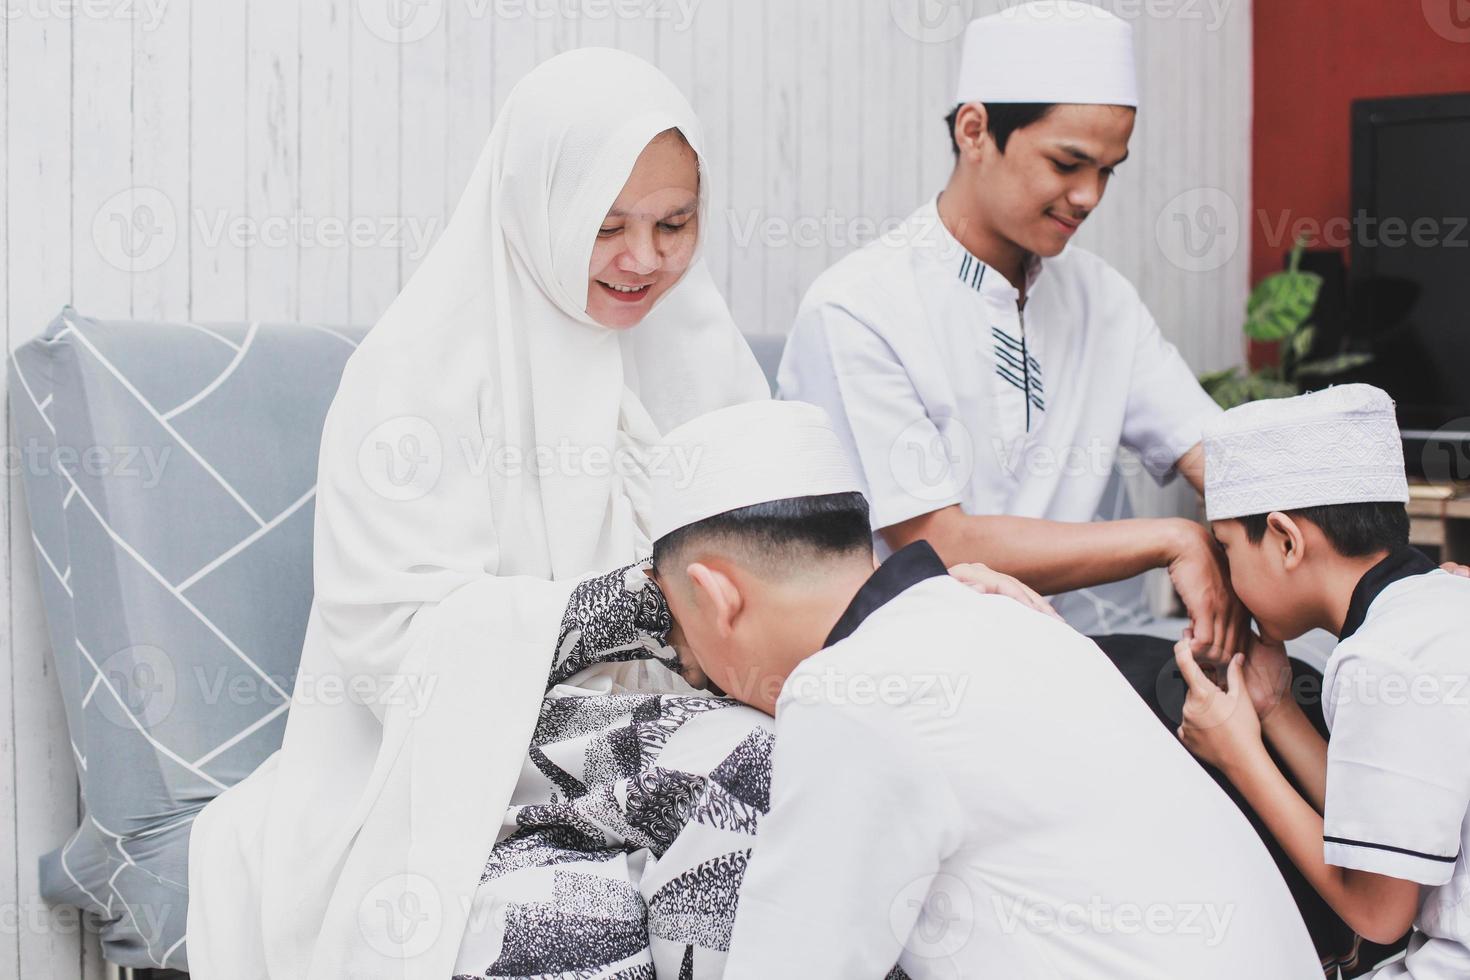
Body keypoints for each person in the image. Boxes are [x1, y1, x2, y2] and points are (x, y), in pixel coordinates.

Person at [185, 48, 775, 980]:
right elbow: (391, 645)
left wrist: (909, 596)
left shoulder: (699, 350)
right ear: (533, 207)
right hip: (464, 761)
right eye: (604, 224)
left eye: (675, 223)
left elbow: (788, 552)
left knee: (823, 788)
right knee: (659, 845)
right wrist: (647, 601)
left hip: (680, 731)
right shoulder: (413, 374)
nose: (644, 259)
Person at [647, 399, 1322, 979]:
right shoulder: (1002, 614)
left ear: (714, 596)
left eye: (680, 635)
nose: (695, 669)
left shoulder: (850, 692)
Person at [777, 1, 1247, 658]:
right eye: (1067, 164)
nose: (1090, 196)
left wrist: (1401, 585)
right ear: (975, 130)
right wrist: (1173, 538)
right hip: (901, 668)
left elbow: (1218, 457)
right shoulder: (858, 307)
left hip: (1055, 656)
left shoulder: (1101, 299)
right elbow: (939, 543)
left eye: (1107, 170)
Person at [1177, 384, 1470, 979]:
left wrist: (1241, 758)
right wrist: (1278, 707)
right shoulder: (1436, 606)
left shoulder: (1383, 658)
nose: (1229, 578)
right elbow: (1382, 817)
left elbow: (1379, 910)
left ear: (1286, 540)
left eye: (1228, 548)